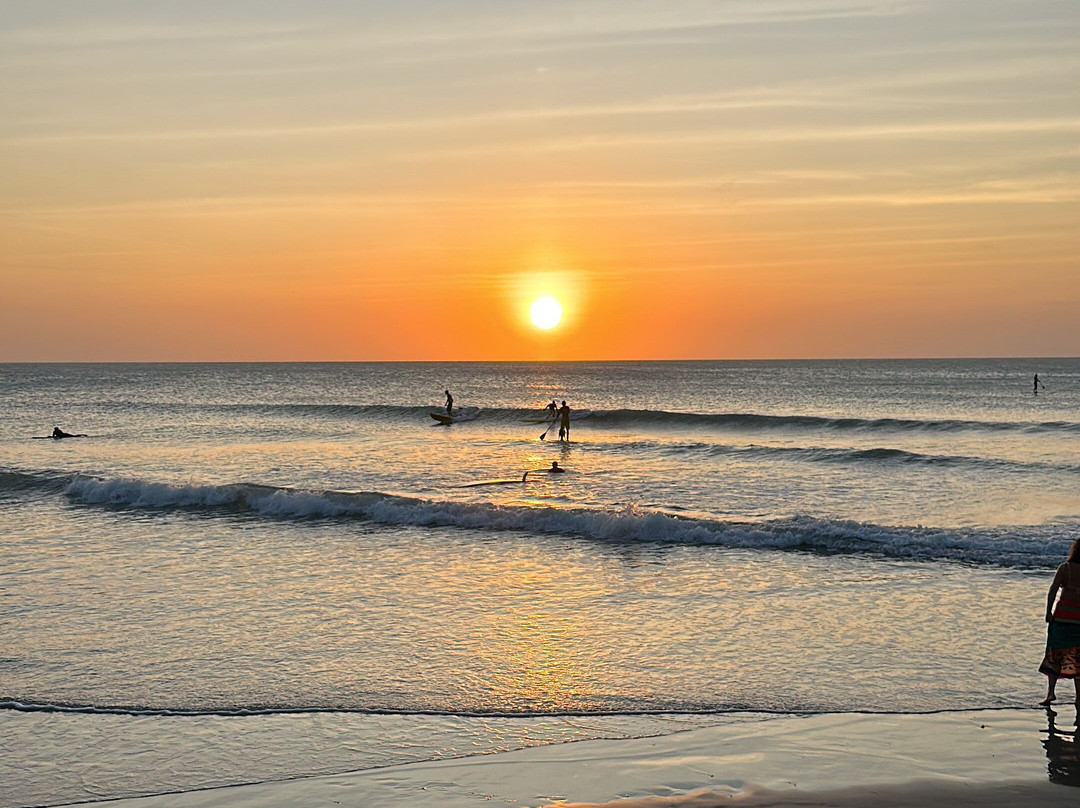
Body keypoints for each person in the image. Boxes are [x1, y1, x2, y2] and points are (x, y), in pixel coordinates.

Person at [1040, 538, 1080, 705]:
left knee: (1054, 654)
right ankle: (1079, 697)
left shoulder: (1065, 568)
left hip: (1063, 617)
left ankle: (1051, 693)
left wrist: (1048, 611)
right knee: (1078, 657)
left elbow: (1053, 590)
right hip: (1079, 619)